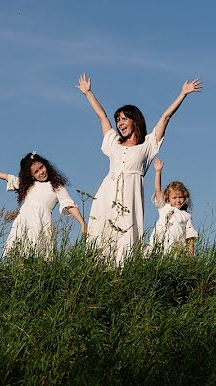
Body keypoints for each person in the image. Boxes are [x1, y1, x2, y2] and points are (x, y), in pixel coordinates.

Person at [76, 72, 202, 264]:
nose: (119, 123)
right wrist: (88, 93)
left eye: (124, 119)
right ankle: (98, 269)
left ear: (134, 120)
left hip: (131, 195)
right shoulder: (113, 142)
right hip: (107, 192)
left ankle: (122, 270)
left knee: (127, 233)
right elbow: (102, 117)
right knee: (101, 229)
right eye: (118, 120)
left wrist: (183, 93)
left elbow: (166, 117)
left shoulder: (148, 145)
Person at [0, 152, 86, 257]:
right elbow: (6, 177)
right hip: (24, 221)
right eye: (36, 172)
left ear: (45, 165)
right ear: (32, 175)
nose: (41, 172)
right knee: (20, 252)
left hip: (41, 223)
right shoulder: (29, 185)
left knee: (39, 254)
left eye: (41, 167)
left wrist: (82, 223)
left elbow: (69, 205)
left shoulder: (56, 186)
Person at [148, 157, 198, 256]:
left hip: (175, 249)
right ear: (168, 199)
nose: (178, 200)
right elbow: (158, 190)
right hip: (158, 246)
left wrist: (191, 255)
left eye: (181, 197)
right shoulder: (164, 208)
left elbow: (190, 236)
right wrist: (158, 172)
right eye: (174, 197)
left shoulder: (186, 216)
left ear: (185, 198)